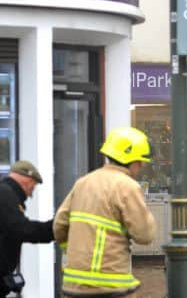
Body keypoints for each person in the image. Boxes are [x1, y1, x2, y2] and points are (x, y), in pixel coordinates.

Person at [54, 127, 157, 298]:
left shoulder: (83, 182)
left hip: (74, 285)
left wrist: (71, 250)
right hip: (110, 286)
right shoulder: (127, 187)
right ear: (134, 161)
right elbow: (144, 235)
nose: (141, 167)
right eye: (141, 162)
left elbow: (59, 225)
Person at [0, 160, 54, 298]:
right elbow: (22, 229)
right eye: (33, 186)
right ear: (28, 180)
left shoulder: (6, 193)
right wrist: (56, 227)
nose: (31, 193)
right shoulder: (5, 194)